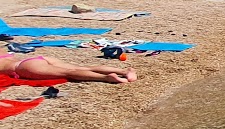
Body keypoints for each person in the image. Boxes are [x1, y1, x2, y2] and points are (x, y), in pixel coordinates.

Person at [1, 52, 137, 84]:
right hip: (35, 58)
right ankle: (124, 71)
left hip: (22, 67)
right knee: (82, 67)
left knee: (70, 73)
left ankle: (106, 78)